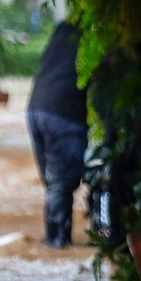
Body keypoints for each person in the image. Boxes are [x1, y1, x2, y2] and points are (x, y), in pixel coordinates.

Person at [26, 22, 88, 247]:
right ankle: (57, 241)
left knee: (53, 182)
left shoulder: (63, 30)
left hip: (35, 110)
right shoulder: (90, 36)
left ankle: (53, 239)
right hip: (64, 114)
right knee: (62, 182)